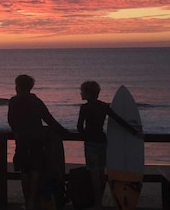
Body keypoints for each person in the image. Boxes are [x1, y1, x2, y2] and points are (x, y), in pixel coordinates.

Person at [77, 80, 143, 210]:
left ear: (88, 93)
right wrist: (135, 132)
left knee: (94, 174)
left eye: (82, 91)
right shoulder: (103, 106)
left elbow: (80, 127)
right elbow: (119, 120)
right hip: (102, 141)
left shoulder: (84, 107)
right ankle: (99, 201)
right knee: (101, 174)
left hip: (91, 142)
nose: (80, 93)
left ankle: (98, 204)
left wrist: (84, 135)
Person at [8, 74, 67, 210]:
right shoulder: (36, 101)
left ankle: (28, 200)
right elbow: (49, 119)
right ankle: (32, 202)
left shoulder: (14, 101)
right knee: (35, 170)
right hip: (37, 139)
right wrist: (64, 131)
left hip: (22, 139)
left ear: (18, 86)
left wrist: (17, 131)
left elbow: (11, 120)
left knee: (24, 170)